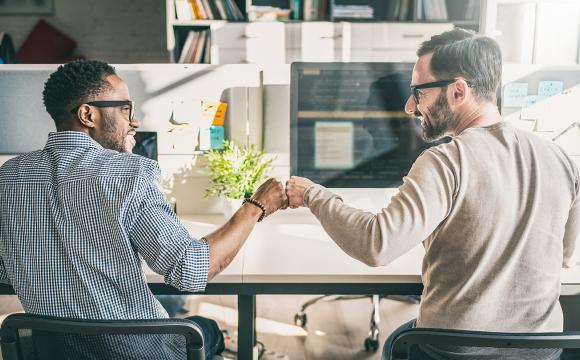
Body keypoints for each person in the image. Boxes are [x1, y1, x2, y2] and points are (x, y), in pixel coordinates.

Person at [286, 28, 580, 360]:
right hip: (542, 352)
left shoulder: (445, 161)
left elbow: (376, 244)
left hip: (454, 351)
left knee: (398, 341)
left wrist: (312, 194)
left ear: (458, 91)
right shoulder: (560, 159)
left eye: (418, 91)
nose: (411, 106)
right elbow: (564, 257)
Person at [0, 59, 287, 359]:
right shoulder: (130, 173)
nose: (134, 121)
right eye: (125, 109)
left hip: (54, 351)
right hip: (136, 352)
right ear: (87, 115)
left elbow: (3, 272)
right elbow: (190, 270)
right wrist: (255, 207)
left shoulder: (8, 177)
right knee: (207, 329)